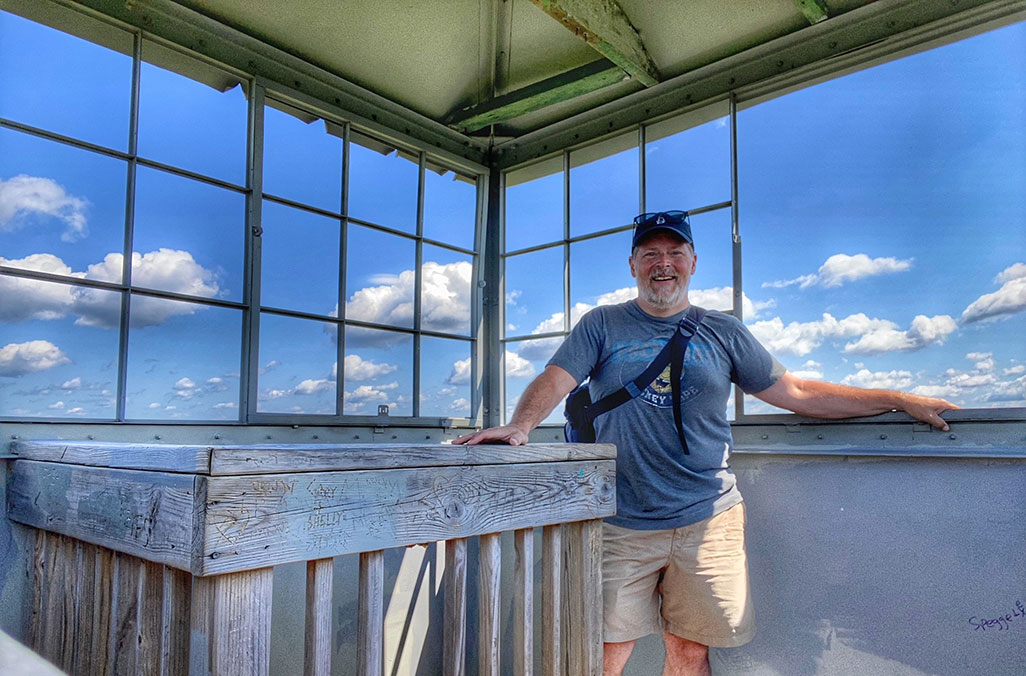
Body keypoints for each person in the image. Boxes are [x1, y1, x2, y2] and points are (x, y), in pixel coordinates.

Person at [454, 210, 958, 676]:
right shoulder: (602, 324)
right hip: (618, 520)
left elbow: (798, 393)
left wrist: (897, 399)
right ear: (633, 264)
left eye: (675, 253)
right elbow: (556, 378)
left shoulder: (723, 331)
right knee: (603, 651)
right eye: (650, 254)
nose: (663, 264)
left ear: (693, 262)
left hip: (707, 517)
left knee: (691, 648)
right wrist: (519, 427)